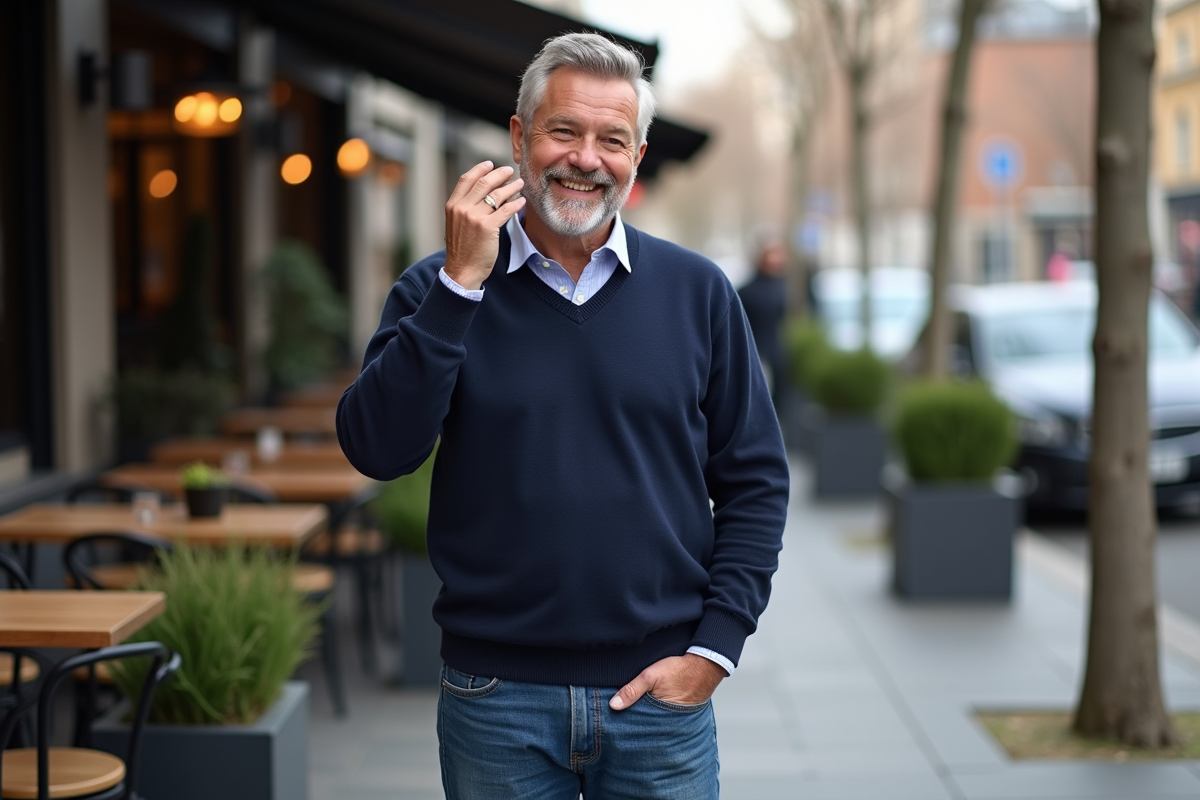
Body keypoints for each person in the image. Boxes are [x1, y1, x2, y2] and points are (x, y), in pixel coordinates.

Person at [337, 32, 789, 800]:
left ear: (637, 157)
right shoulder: (436, 290)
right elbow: (378, 450)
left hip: (660, 702)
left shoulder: (698, 293)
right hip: (495, 700)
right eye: (563, 131)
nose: (586, 158)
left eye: (612, 139)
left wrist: (716, 649)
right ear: (519, 138)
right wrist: (460, 289)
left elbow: (755, 482)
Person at [738, 240, 789, 415]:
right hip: (756, 351)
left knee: (778, 402)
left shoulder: (782, 287)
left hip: (776, 351)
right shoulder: (747, 291)